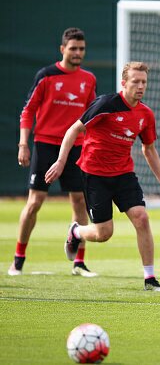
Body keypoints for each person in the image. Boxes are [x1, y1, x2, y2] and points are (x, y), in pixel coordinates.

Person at [45, 61, 160, 291]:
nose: (140, 86)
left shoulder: (145, 114)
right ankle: (76, 231)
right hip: (95, 175)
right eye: (136, 81)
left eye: (144, 82)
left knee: (142, 219)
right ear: (124, 83)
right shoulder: (106, 104)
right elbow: (73, 130)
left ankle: (150, 279)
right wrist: (60, 161)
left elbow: (149, 149)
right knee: (103, 233)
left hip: (124, 174)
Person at [10, 27, 98, 277]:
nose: (78, 52)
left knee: (79, 201)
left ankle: (79, 262)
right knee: (35, 201)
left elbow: (90, 116)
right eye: (73, 48)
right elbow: (28, 111)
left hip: (77, 147)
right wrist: (23, 144)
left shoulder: (89, 79)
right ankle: (18, 259)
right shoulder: (46, 75)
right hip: (46, 144)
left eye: (81, 49)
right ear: (62, 49)